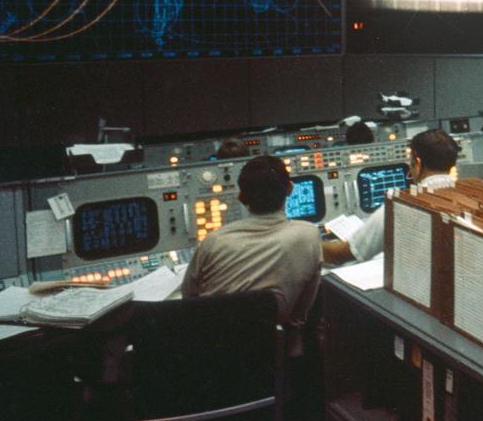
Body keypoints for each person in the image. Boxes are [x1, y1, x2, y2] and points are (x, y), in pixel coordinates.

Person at [181, 155, 321, 335]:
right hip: (271, 348)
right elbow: (300, 313)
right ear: (290, 189)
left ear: (241, 197)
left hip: (211, 346)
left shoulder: (213, 241)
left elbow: (188, 301)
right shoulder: (309, 235)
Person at [322, 129, 459, 264]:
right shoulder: (472, 199)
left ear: (417, 163)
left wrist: (308, 240)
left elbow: (340, 254)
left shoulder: (397, 209)